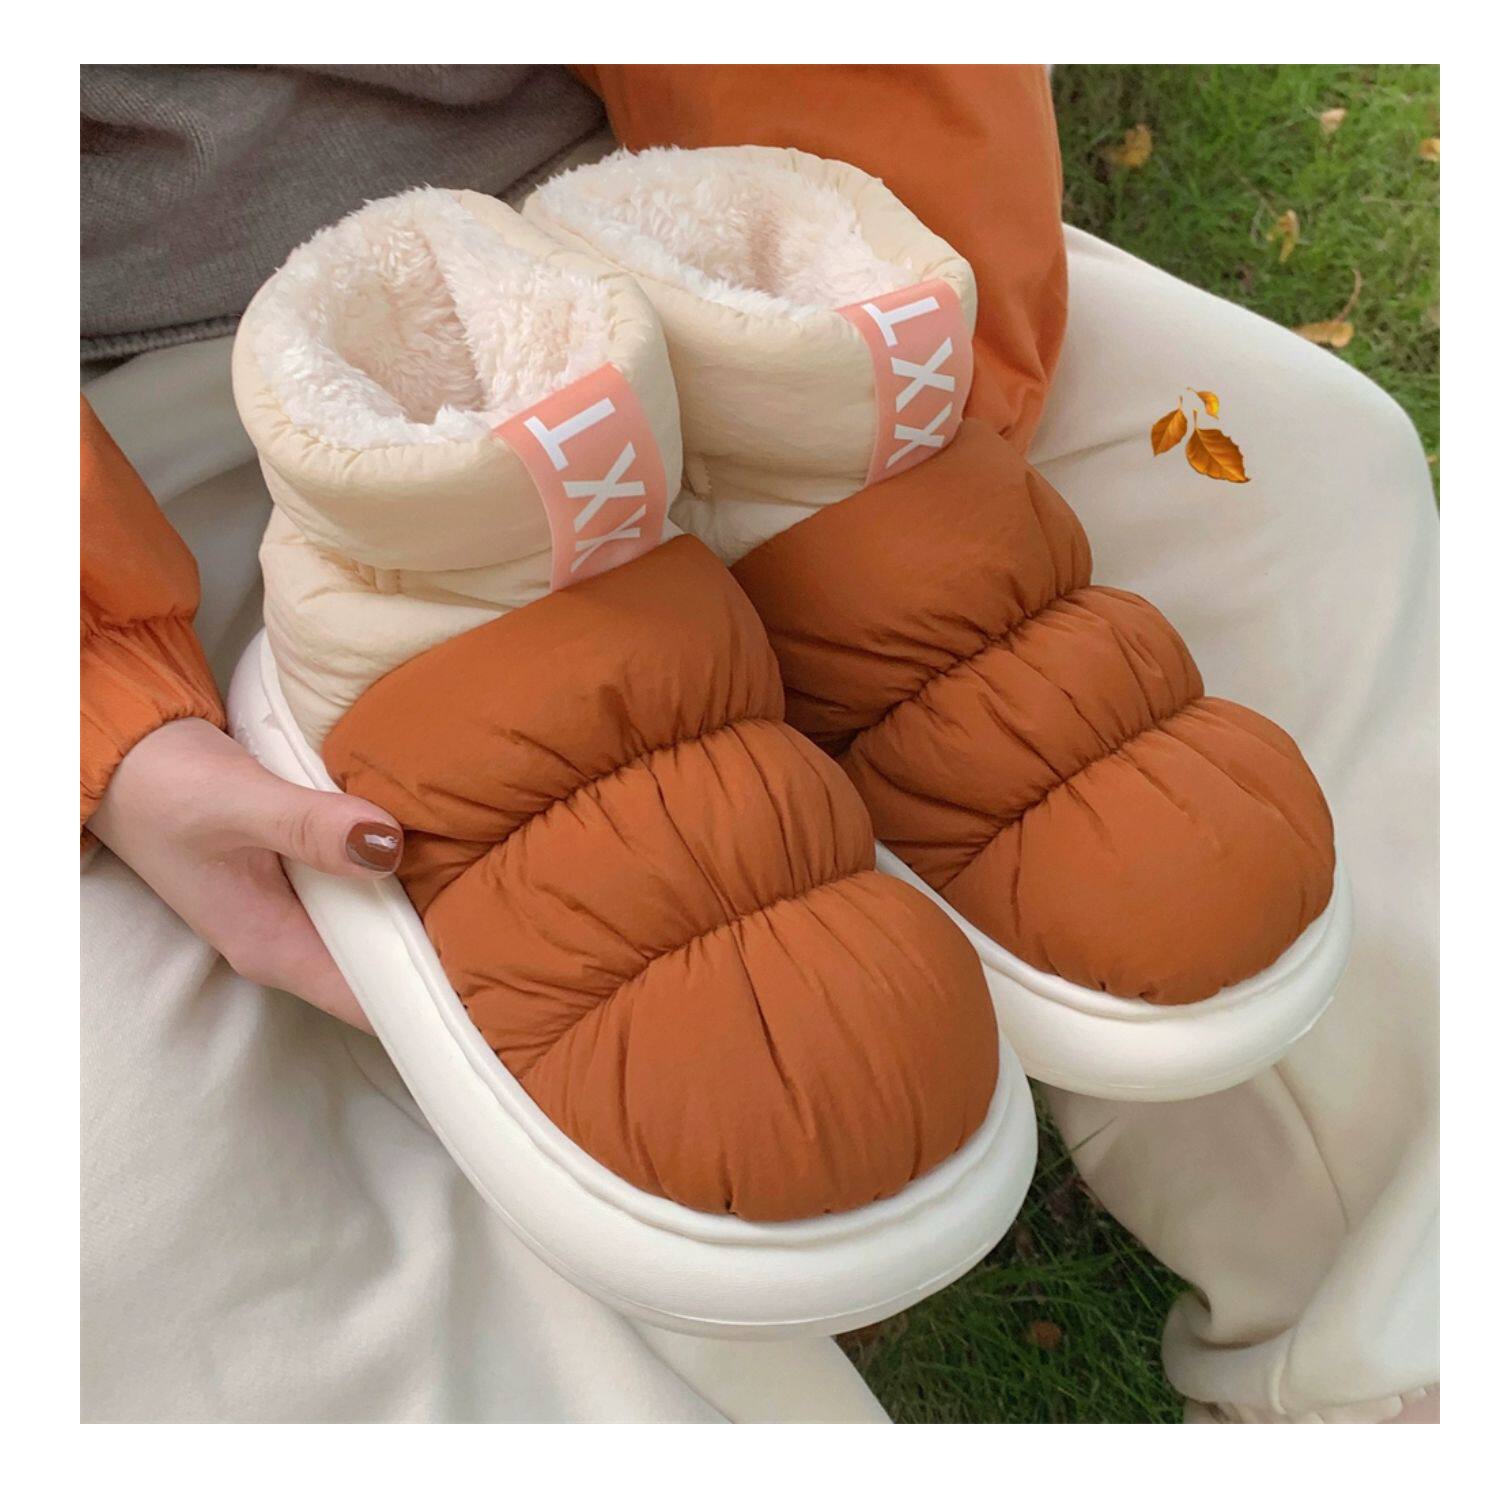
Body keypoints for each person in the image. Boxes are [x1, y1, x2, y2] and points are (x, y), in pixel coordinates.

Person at [81, 63, 1437, 1422]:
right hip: (107, 439)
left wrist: (869, 401)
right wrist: (96, 705)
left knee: (1316, 464)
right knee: (135, 1186)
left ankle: (1412, 1368)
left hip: (666, 226)